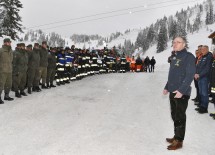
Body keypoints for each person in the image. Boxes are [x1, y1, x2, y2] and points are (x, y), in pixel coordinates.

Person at [163, 36, 196, 150]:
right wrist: (167, 86)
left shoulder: (189, 57)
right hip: (173, 90)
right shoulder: (174, 57)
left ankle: (179, 141)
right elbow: (172, 75)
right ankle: (176, 136)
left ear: (184, 44)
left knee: (180, 116)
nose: (175, 44)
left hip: (181, 92)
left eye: (178, 42)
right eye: (174, 42)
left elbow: (190, 75)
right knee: (174, 115)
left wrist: (181, 90)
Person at [195, 45, 213, 114]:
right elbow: (198, 66)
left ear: (207, 49)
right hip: (200, 78)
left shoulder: (209, 56)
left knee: (204, 93)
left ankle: (205, 108)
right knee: (201, 92)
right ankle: (202, 105)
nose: (202, 51)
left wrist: (199, 74)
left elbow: (207, 69)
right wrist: (196, 73)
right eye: (201, 49)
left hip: (205, 77)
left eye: (203, 49)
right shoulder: (202, 56)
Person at [0, 38, 14, 104]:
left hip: (9, 70)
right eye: (9, 42)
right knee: (1, 85)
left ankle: (6, 95)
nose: (10, 43)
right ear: (5, 42)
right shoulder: (1, 50)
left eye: (10, 42)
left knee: (9, 84)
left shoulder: (11, 51)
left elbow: (11, 61)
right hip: (2, 71)